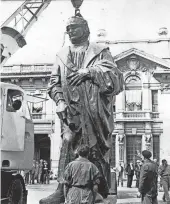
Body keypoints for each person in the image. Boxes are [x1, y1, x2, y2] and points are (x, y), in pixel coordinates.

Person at [40, 13, 123, 204]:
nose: (69, 31)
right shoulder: (61, 55)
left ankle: (99, 190)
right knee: (67, 145)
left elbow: (115, 77)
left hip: (94, 112)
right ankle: (62, 190)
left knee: (95, 150)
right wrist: (60, 100)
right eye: (67, 28)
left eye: (74, 27)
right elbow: (53, 84)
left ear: (85, 29)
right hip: (71, 111)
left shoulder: (100, 51)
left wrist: (90, 72)